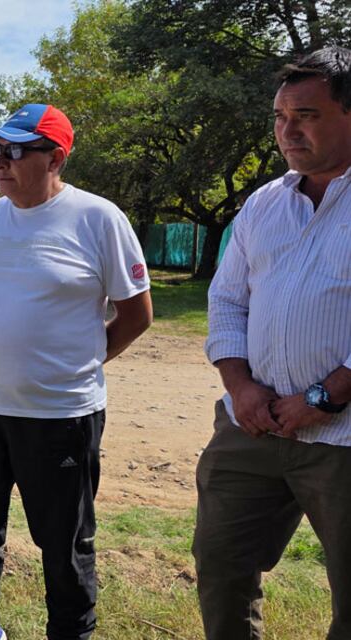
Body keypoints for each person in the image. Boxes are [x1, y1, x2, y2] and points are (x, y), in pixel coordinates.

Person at [0, 104, 153, 640]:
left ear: (56, 157)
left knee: (64, 542)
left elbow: (136, 314)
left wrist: (79, 363)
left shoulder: (98, 218)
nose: (1, 162)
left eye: (16, 150)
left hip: (59, 416)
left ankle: (69, 631)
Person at [194, 46, 351, 639]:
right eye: (280, 117)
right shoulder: (265, 201)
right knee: (222, 565)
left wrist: (327, 396)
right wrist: (240, 388)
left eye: (306, 115)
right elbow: (227, 300)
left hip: (342, 435)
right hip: (252, 430)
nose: (288, 131)